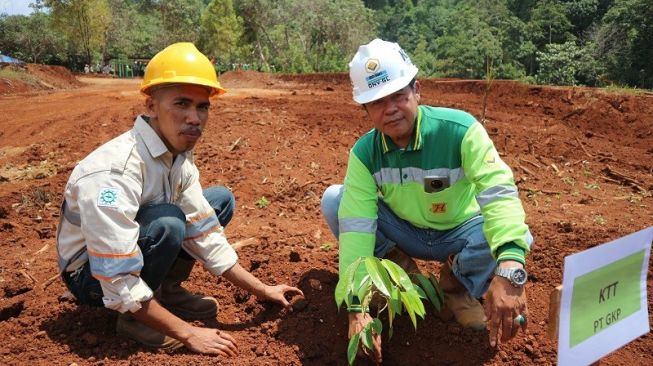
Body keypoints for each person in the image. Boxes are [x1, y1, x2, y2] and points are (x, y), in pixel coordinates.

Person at [56, 42, 303, 356]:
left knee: (217, 201)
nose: (195, 117)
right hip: (92, 276)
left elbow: (205, 234)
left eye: (202, 106)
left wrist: (263, 290)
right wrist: (188, 334)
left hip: (128, 252)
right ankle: (134, 319)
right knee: (168, 222)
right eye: (182, 103)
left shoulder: (178, 160)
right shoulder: (115, 171)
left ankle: (166, 292)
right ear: (150, 106)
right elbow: (116, 279)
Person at [321, 39, 533, 363]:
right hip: (406, 232)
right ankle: (402, 277)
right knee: (337, 200)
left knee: (511, 238)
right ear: (365, 110)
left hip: (461, 232)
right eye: (377, 102)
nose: (390, 108)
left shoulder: (459, 131)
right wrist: (356, 306)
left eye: (398, 96)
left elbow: (498, 191)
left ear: (417, 90)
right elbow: (356, 230)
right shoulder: (365, 154)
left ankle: (456, 285)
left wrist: (512, 268)